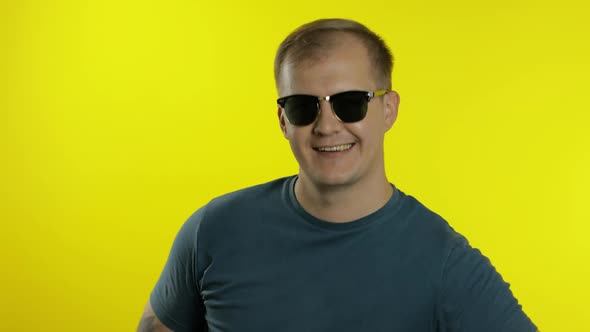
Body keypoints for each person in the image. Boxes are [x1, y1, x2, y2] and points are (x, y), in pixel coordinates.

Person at [137, 18, 538, 332]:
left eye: (350, 103)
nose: (327, 125)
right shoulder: (214, 229)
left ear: (388, 109)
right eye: (302, 106)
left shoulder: (444, 264)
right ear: (282, 120)